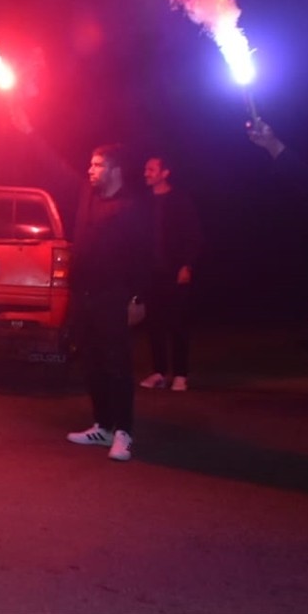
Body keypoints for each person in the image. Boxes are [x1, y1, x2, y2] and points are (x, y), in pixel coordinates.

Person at [63, 144, 151, 461]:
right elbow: (55, 167)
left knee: (117, 366)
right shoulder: (88, 194)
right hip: (84, 295)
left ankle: (123, 432)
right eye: (91, 163)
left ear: (114, 170)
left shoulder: (131, 207)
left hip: (113, 296)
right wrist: (29, 132)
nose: (90, 170)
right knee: (93, 363)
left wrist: (139, 297)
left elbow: (144, 255)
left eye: (97, 164)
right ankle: (103, 426)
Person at [139, 155, 203, 393]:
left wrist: (187, 265)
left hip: (175, 271)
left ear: (165, 173)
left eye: (151, 169)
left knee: (178, 323)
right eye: (146, 169)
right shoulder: (143, 202)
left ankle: (180, 374)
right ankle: (158, 372)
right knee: (154, 324)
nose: (146, 173)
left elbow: (194, 235)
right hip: (151, 273)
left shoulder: (179, 200)